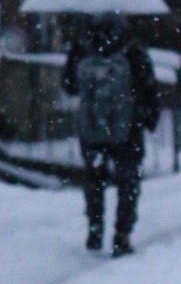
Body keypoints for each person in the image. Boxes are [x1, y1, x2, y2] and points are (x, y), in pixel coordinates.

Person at [63, 13, 160, 257]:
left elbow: (69, 85)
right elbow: (149, 88)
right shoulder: (133, 50)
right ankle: (122, 235)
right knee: (128, 182)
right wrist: (149, 118)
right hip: (127, 130)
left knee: (94, 179)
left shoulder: (83, 48)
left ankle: (95, 228)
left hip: (92, 128)